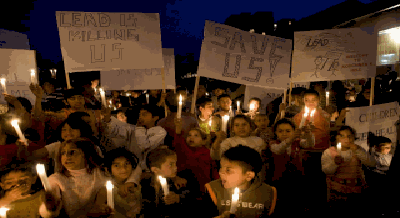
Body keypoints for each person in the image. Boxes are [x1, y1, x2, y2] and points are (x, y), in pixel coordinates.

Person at [40, 138, 110, 218]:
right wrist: (50, 207)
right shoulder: (56, 179)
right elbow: (49, 209)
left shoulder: (99, 174)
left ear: (86, 154)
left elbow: (101, 203)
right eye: (63, 153)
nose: (66, 156)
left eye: (72, 152)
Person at [203, 145, 277, 218]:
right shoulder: (213, 190)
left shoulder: (268, 193)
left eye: (228, 170)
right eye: (221, 167)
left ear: (248, 176)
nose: (220, 172)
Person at [321, 126, 376, 216]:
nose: (347, 139)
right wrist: (335, 163)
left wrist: (358, 151)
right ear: (337, 137)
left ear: (354, 137)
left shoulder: (358, 150)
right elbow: (326, 170)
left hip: (356, 191)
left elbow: (372, 164)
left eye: (350, 136)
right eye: (342, 136)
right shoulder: (329, 152)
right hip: (336, 191)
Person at [269, 118, 314, 215]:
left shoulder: (297, 142)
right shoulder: (273, 143)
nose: (284, 133)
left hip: (297, 177)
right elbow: (278, 150)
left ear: (294, 131)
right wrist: (291, 138)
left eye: (288, 131)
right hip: (279, 178)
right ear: (276, 133)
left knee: (296, 202)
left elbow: (310, 144)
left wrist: (308, 133)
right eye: (280, 131)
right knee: (280, 203)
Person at [104, 104, 167, 171]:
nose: (140, 117)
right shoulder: (134, 129)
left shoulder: (160, 132)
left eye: (144, 115)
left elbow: (143, 145)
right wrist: (108, 120)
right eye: (140, 115)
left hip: (150, 169)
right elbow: (116, 131)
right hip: (134, 168)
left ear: (155, 117)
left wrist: (139, 128)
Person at [141, 147, 192, 218]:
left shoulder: (179, 182)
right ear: (155, 169)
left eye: (175, 163)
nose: (176, 167)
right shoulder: (145, 185)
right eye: (171, 164)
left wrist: (178, 198)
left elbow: (192, 199)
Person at [172, 123, 218, 195]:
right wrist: (178, 133)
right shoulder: (183, 150)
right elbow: (178, 144)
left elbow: (213, 170)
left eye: (196, 135)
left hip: (202, 187)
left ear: (203, 141)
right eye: (189, 135)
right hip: (184, 184)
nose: (191, 137)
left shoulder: (208, 153)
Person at [103, 147, 142, 218]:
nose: (123, 169)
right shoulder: (105, 189)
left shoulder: (137, 182)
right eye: (116, 165)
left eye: (127, 164)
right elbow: (98, 207)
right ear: (108, 169)